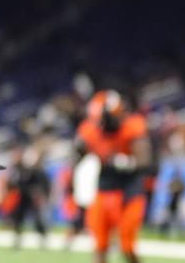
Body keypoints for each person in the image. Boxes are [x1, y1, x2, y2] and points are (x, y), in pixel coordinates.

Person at [76, 90, 150, 263]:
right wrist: (79, 149)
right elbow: (80, 152)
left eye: (104, 120)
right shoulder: (90, 129)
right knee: (99, 244)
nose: (100, 125)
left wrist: (127, 162)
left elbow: (144, 160)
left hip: (129, 190)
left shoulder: (132, 126)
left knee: (126, 245)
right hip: (104, 188)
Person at [10, 147, 51, 249]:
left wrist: (41, 194)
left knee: (38, 220)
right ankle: (17, 240)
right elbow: (15, 184)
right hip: (23, 198)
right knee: (18, 219)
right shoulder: (19, 171)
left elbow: (44, 185)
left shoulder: (38, 172)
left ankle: (43, 240)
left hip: (33, 199)